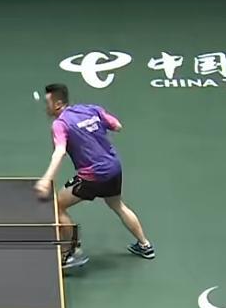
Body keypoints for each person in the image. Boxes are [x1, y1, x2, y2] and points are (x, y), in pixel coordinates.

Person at [34, 83, 153, 269]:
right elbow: (117, 126)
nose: (45, 107)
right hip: (113, 168)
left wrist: (46, 179)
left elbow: (59, 152)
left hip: (93, 175)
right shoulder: (91, 109)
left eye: (47, 103)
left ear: (57, 104)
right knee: (117, 205)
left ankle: (71, 252)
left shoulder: (60, 124)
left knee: (56, 206)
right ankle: (145, 245)